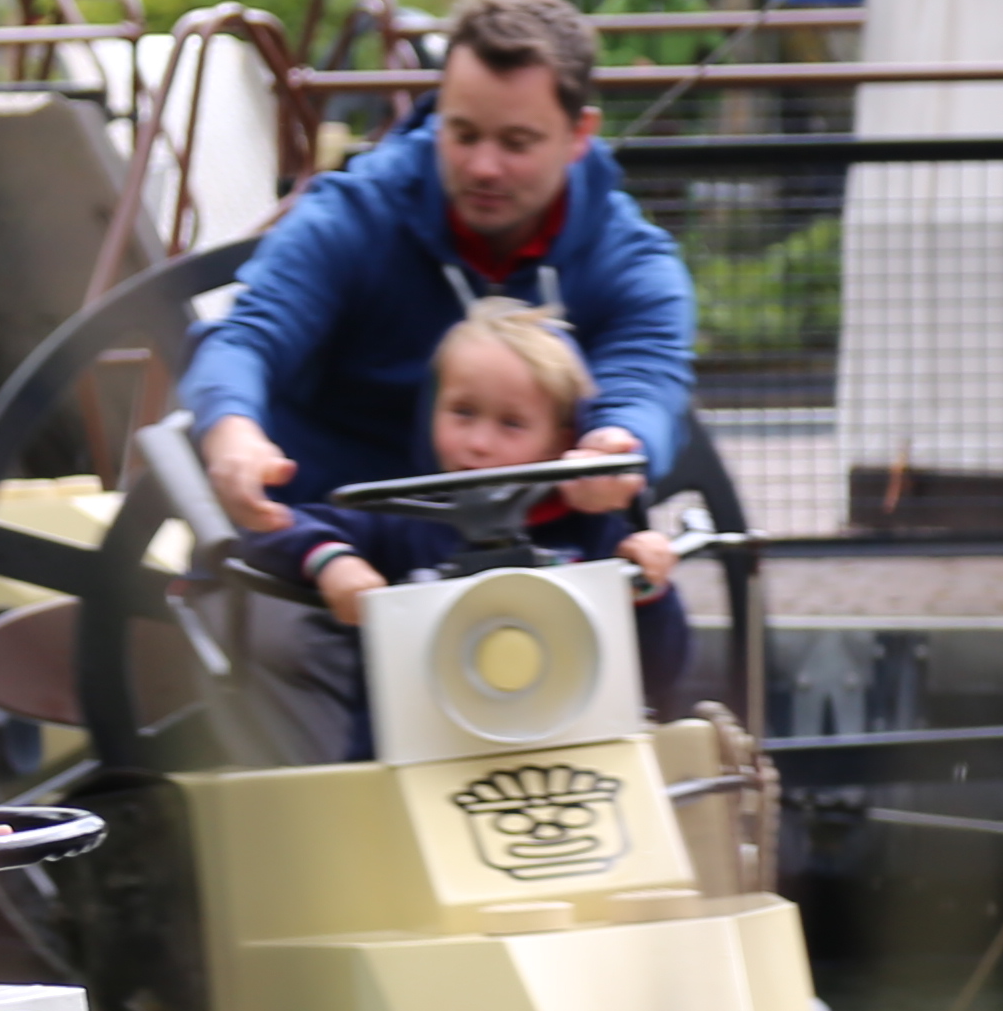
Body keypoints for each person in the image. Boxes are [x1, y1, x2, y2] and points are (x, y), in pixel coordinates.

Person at [179, 0, 699, 702]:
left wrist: (618, 444)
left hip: (519, 589)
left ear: (581, 134)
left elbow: (645, 382)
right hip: (320, 569)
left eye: (517, 142)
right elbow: (247, 336)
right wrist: (234, 431)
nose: (484, 166)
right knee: (300, 662)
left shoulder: (630, 263)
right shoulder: (354, 217)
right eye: (463, 134)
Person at [220, 303, 683, 753]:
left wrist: (648, 587)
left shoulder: (596, 536)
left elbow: (661, 674)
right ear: (431, 412)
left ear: (560, 442)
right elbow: (270, 529)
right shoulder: (403, 517)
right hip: (408, 770)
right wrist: (331, 561)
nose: (479, 443)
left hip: (570, 766)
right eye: (462, 412)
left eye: (512, 423)